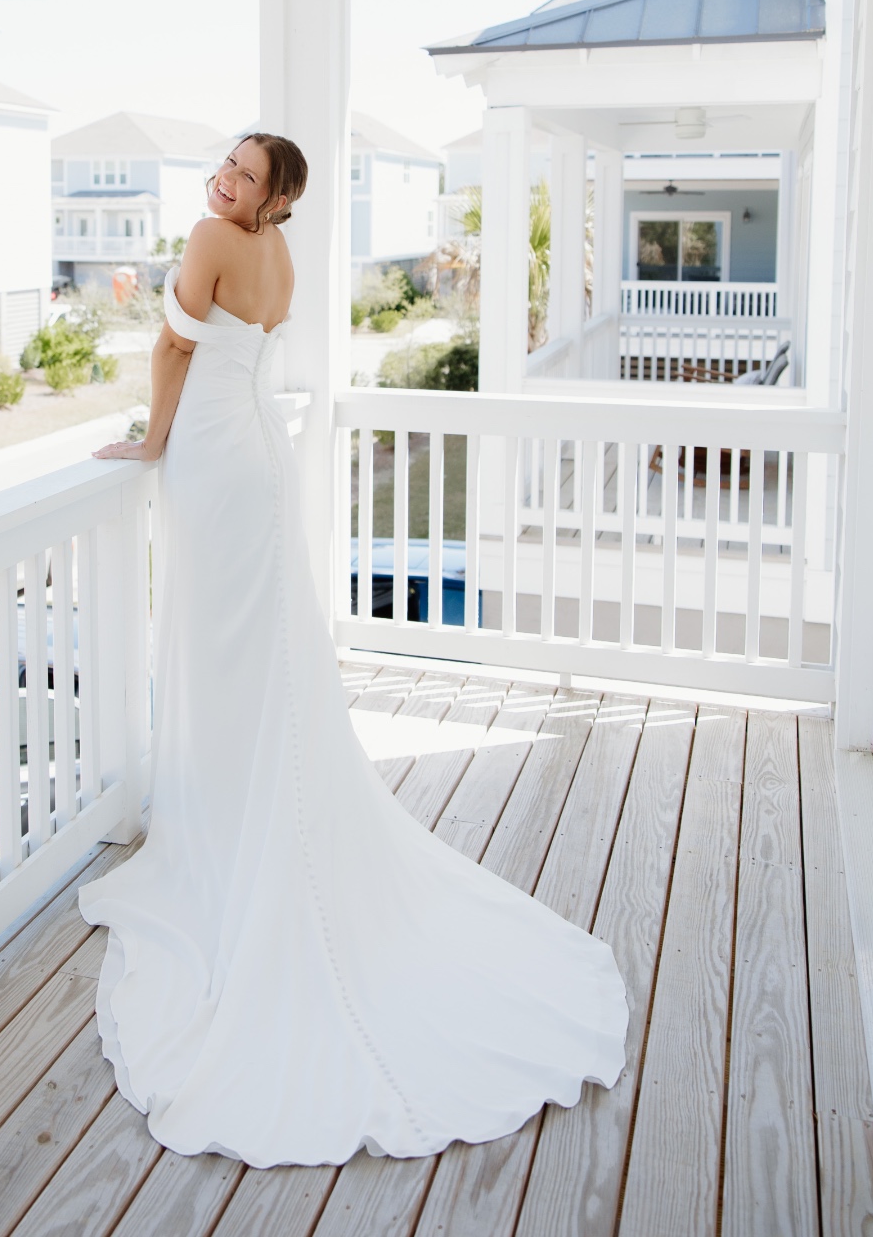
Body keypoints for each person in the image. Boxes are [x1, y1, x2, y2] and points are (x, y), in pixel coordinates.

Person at [81, 133, 627, 1168]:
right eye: (226, 165)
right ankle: (251, 817)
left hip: (210, 456)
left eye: (247, 174)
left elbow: (170, 349)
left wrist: (150, 440)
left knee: (227, 650)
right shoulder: (281, 256)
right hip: (259, 457)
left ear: (274, 193)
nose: (225, 180)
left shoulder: (210, 237)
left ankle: (232, 839)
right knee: (264, 656)